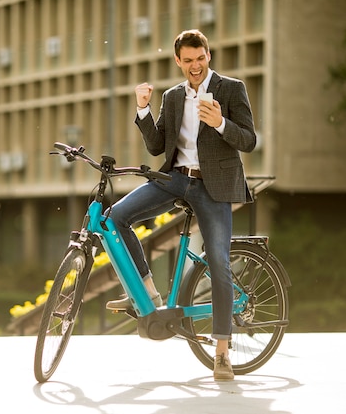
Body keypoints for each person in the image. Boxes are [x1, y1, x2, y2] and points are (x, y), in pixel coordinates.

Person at [106, 29, 257, 381]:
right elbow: (158, 146)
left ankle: (222, 352)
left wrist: (220, 123)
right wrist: (143, 108)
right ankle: (145, 291)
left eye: (200, 58)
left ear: (209, 54)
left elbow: (248, 140)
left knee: (218, 262)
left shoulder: (231, 89)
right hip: (176, 178)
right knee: (116, 217)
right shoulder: (173, 97)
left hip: (213, 186)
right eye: (187, 60)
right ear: (178, 61)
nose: (195, 66)